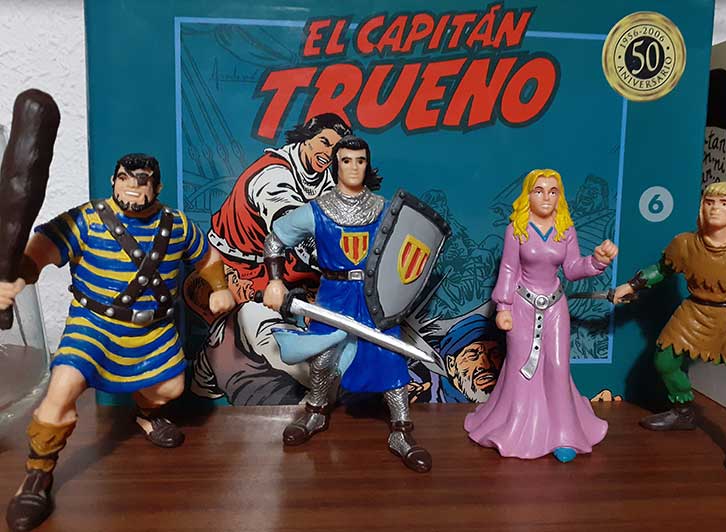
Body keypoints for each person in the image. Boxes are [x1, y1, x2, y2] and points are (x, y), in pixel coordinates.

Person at [0, 153, 235, 531]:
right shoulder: (86, 220)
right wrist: (15, 278)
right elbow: (40, 252)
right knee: (61, 390)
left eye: (143, 181)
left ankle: (146, 414)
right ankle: (37, 474)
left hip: (153, 331)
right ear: (113, 181)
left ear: (157, 186)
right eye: (126, 178)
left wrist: (219, 287)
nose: (133, 187)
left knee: (170, 388)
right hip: (93, 326)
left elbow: (208, 258)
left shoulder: (176, 225)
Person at [262, 135, 432, 473]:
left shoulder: (387, 210)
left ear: (368, 165)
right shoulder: (317, 210)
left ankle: (401, 430)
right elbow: (275, 240)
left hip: (374, 296)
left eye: (360, 160)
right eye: (346, 160)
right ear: (335, 164)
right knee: (323, 358)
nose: (354, 167)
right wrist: (275, 280)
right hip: (333, 295)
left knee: (389, 357)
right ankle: (315, 413)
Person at [612, 181, 726, 480]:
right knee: (664, 360)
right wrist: (631, 285)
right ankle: (683, 411)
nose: (715, 208)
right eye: (710, 202)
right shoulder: (685, 244)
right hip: (695, 311)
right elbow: (662, 269)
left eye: (724, 203)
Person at [191, 114, 352, 405]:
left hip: (284, 267)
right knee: (253, 321)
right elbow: (290, 225)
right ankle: (324, 379)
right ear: (306, 139)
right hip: (237, 266)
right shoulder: (272, 174)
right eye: (324, 142)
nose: (328, 152)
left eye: (335, 148)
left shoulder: (326, 181)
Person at [464, 168, 617, 462]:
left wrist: (597, 262)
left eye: (552, 191)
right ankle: (516, 429)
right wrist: (503, 306)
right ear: (528, 195)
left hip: (556, 307)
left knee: (558, 366)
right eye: (539, 190)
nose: (546, 197)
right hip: (523, 306)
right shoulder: (517, 230)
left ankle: (564, 434)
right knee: (522, 367)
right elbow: (509, 269)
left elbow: (572, 269)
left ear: (560, 197)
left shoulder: (565, 230)